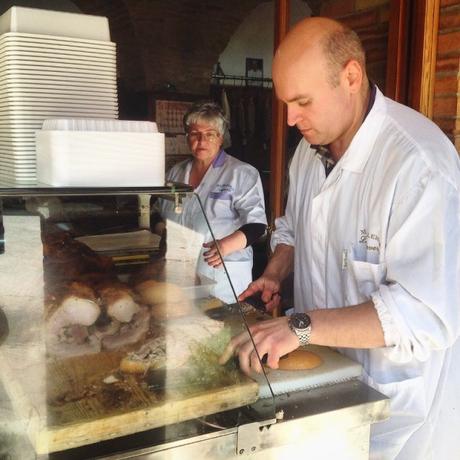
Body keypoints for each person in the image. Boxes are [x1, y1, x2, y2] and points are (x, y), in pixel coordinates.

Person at [220, 17, 460, 459]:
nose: (291, 119)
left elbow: (424, 313)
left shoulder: (418, 166)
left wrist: (301, 326)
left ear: (351, 76)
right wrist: (275, 272)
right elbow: (295, 228)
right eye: (285, 103)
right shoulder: (309, 155)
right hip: (323, 392)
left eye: (302, 101)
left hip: (398, 414)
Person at [159, 101, 267, 303]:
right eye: (194, 134)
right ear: (186, 136)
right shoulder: (176, 172)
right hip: (179, 272)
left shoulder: (241, 173)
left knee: (223, 327)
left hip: (223, 273)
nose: (201, 140)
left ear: (221, 138)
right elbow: (161, 215)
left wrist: (225, 246)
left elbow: (257, 225)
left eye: (210, 134)